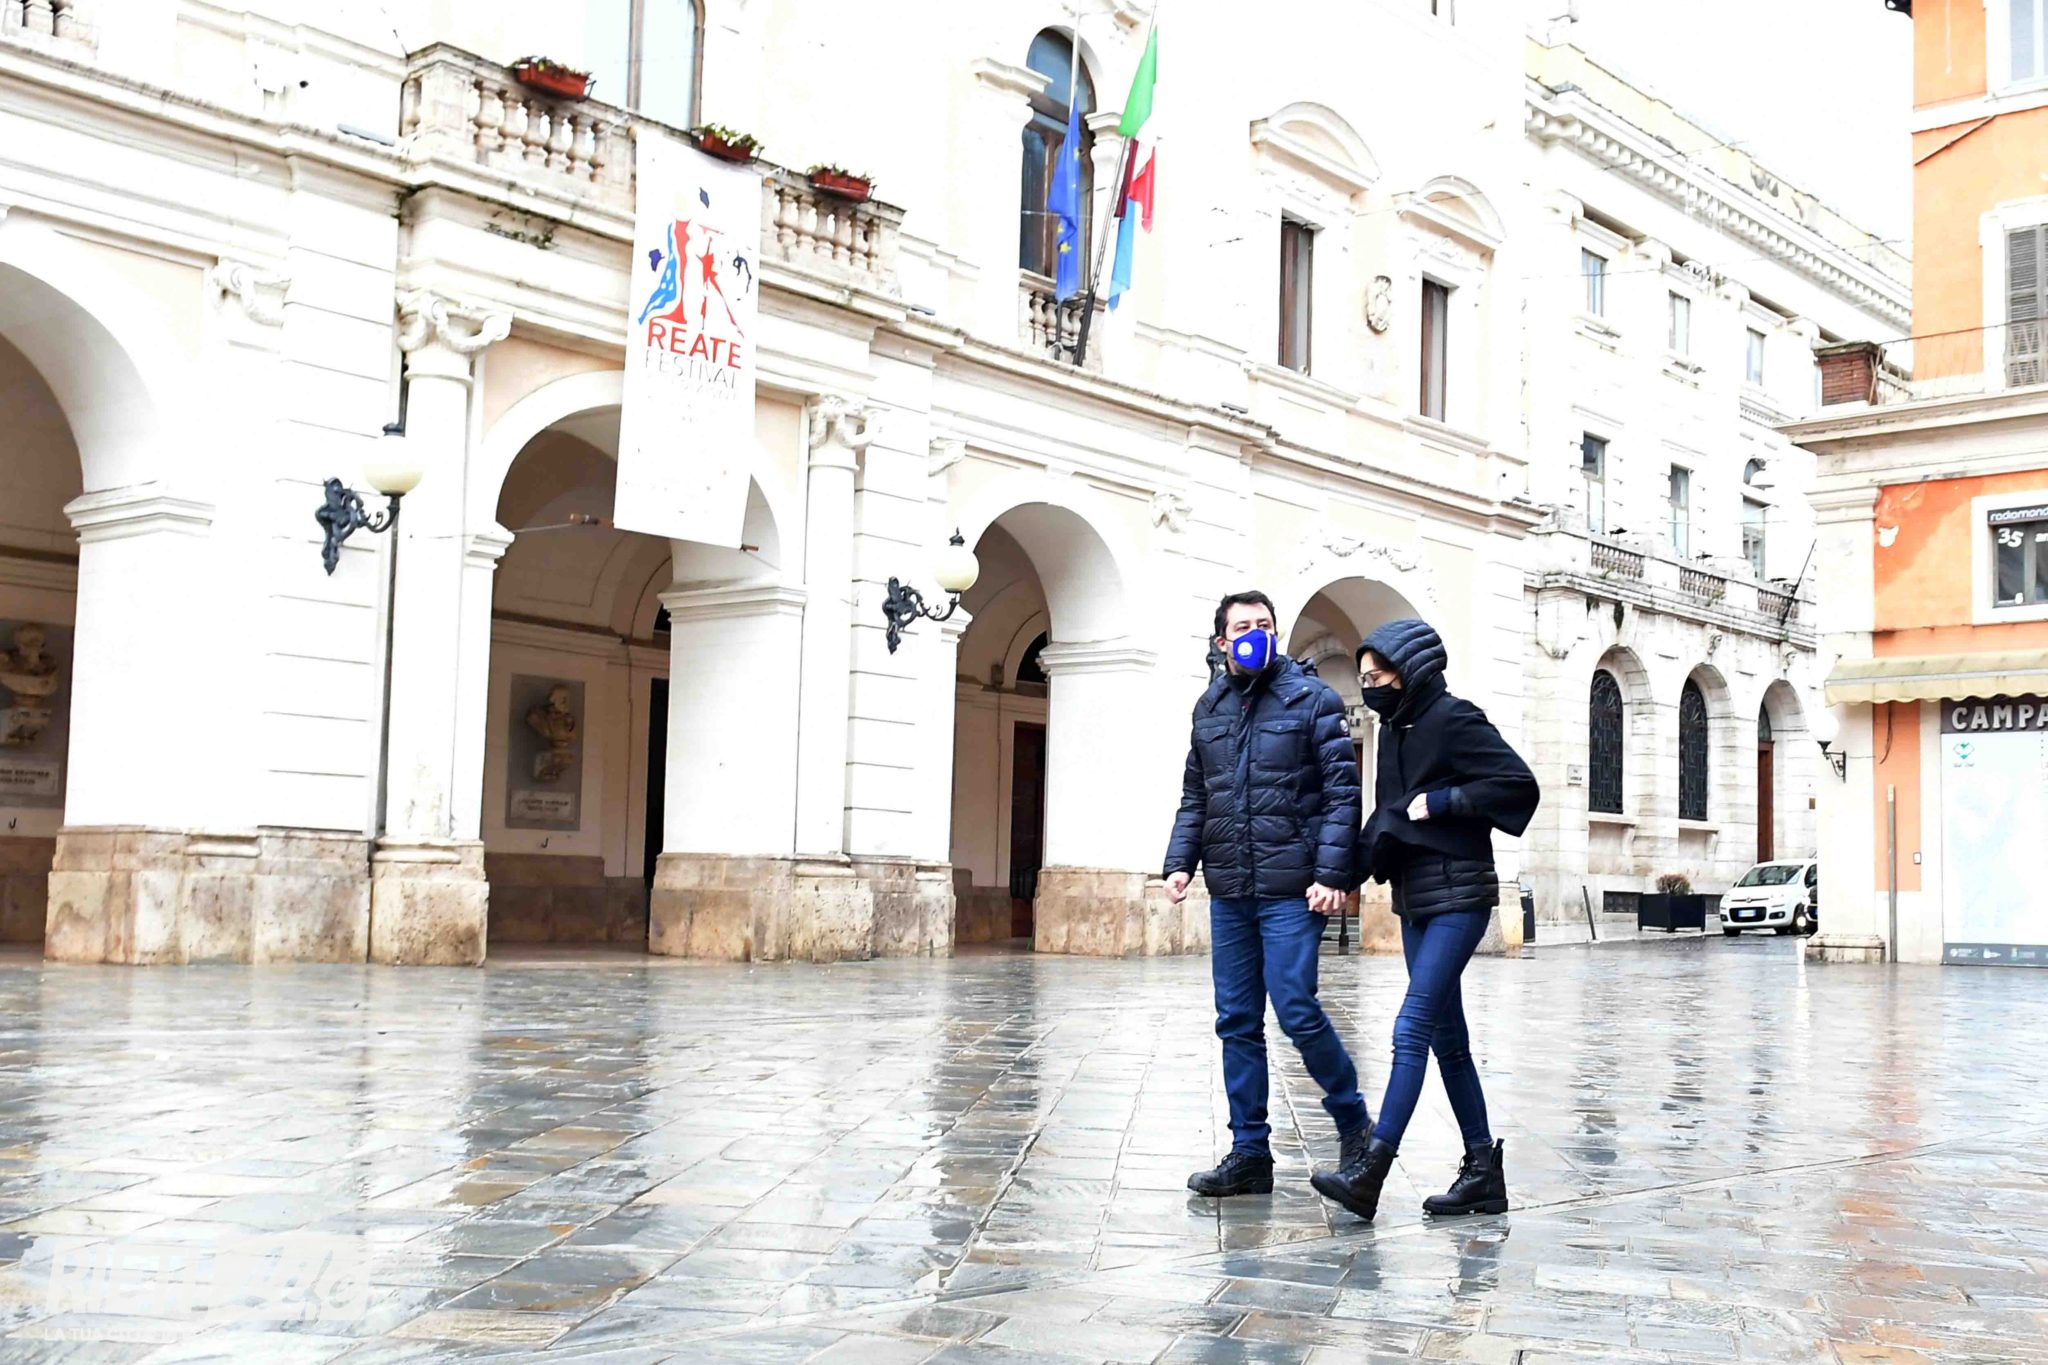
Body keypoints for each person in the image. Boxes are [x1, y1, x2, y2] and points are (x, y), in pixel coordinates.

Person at [1310, 618, 1540, 1222]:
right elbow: (1387, 820)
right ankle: (1482, 1173)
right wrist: (1338, 878)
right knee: (1447, 1040)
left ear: (1410, 670)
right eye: (1363, 678)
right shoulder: (1394, 732)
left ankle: (1372, 1170)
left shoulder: (1455, 719)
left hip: (1459, 898)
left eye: (1378, 676)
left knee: (1410, 1027)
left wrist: (1442, 802)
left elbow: (1518, 786)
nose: (1370, 687)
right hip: (1413, 901)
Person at [1165, 591, 1372, 1197]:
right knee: (1236, 1020)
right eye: (1243, 627)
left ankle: (1353, 1120)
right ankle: (1250, 1152)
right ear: (1223, 641)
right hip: (1230, 887)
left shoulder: (1312, 698)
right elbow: (1197, 795)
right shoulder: (1209, 707)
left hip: (1292, 888)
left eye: (1265, 624)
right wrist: (1180, 862)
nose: (1255, 633)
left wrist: (1331, 874)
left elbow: (1342, 794)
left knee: (1295, 1006)